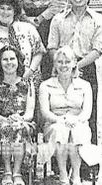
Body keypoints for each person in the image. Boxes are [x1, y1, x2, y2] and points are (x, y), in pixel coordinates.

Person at [47, 0, 102, 146]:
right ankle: (58, 165)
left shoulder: (98, 20)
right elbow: (51, 47)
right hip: (61, 67)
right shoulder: (58, 19)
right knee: (59, 110)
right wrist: (63, 66)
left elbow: (98, 50)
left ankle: (87, 167)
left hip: (85, 66)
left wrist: (76, 66)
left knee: (87, 114)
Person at [39, 46, 92, 185]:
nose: (63, 65)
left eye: (67, 62)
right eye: (60, 62)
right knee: (60, 130)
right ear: (55, 64)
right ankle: (63, 175)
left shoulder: (85, 85)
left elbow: (87, 112)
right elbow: (45, 112)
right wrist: (61, 120)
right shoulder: (45, 85)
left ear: (74, 63)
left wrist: (75, 120)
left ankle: (76, 175)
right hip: (54, 123)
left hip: (78, 122)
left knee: (76, 131)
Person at [0, 45, 36, 185]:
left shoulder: (27, 82)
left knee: (18, 128)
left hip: (24, 122)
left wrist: (19, 120)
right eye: (5, 59)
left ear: (18, 61)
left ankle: (17, 171)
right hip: (0, 122)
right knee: (7, 128)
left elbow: (30, 113)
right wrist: (7, 120)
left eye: (12, 59)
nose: (9, 62)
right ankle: (8, 171)